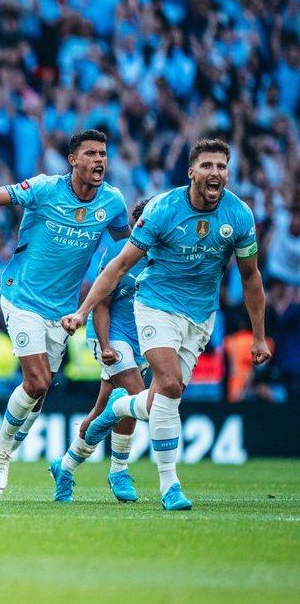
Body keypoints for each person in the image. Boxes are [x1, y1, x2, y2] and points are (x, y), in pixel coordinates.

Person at [62, 139, 272, 510]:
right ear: (192, 172)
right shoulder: (163, 210)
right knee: (170, 386)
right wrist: (83, 312)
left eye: (221, 167)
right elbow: (119, 267)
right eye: (207, 166)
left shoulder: (239, 215)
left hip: (200, 316)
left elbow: (251, 277)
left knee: (162, 398)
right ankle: (168, 486)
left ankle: (118, 410)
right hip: (155, 306)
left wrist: (258, 336)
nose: (215, 173)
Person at [0, 129, 129, 503]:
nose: (99, 160)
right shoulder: (43, 188)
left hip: (63, 311)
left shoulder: (114, 202)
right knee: (37, 381)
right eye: (90, 153)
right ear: (73, 160)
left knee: (37, 401)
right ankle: (0, 448)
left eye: (103, 154)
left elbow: (125, 252)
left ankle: (6, 443)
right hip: (21, 296)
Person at [49, 198, 152, 503]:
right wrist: (106, 346)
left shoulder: (165, 256)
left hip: (142, 342)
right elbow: (102, 304)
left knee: (102, 412)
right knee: (136, 397)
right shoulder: (121, 253)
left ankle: (64, 469)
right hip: (110, 334)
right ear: (138, 224)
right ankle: (119, 470)